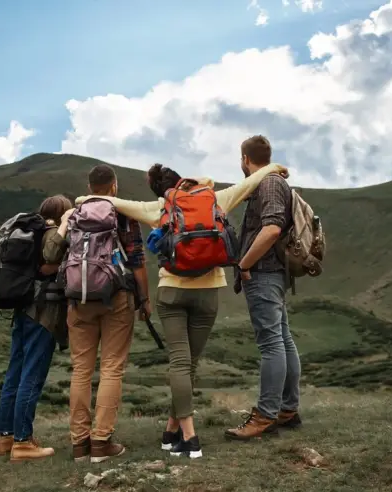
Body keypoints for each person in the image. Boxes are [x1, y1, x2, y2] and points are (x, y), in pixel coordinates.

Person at [76, 161, 288, 458]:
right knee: (190, 365)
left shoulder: (160, 208)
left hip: (172, 291)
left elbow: (115, 202)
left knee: (179, 363)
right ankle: (173, 431)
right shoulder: (214, 198)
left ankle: (185, 433)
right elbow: (248, 184)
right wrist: (274, 167)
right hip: (208, 292)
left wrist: (83, 200)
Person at [68, 164, 150, 463]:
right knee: (112, 368)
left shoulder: (74, 214)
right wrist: (145, 299)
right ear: (113, 186)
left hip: (78, 297)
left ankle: (79, 444)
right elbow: (138, 260)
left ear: (89, 187)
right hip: (117, 296)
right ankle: (101, 442)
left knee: (81, 370)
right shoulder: (123, 214)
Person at [225, 135, 302, 441]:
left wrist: (244, 264)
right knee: (282, 340)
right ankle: (287, 409)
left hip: (264, 272)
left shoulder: (269, 184)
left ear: (245, 158)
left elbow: (271, 228)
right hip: (274, 272)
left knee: (271, 344)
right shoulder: (270, 182)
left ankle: (266, 415)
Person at [0, 194, 74, 461]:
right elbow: (51, 259)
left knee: (14, 374)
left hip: (22, 310)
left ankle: (6, 437)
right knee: (32, 376)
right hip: (43, 314)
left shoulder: (29, 232)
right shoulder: (52, 234)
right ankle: (23, 443)